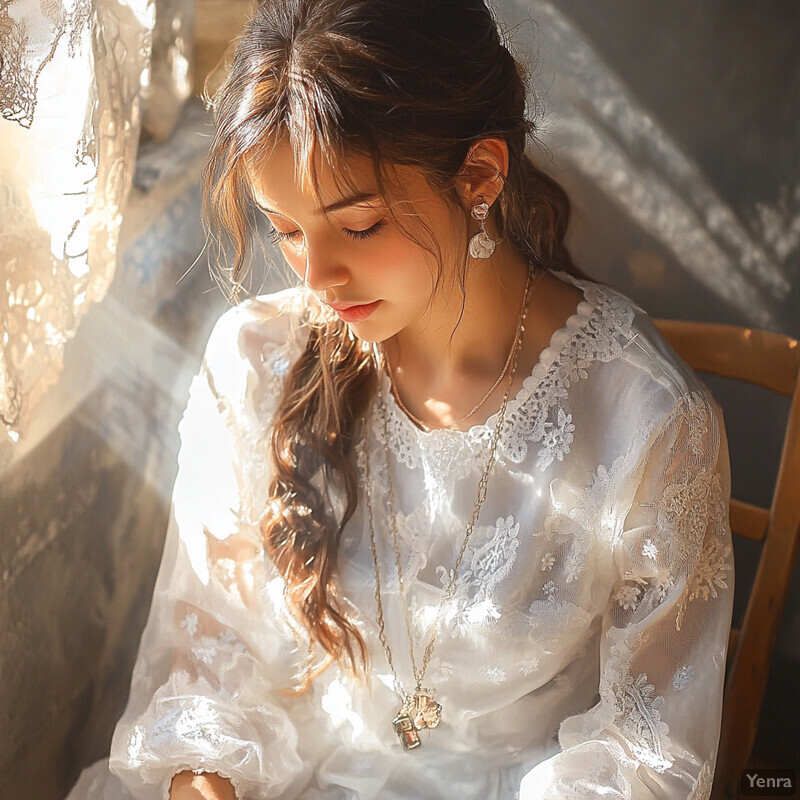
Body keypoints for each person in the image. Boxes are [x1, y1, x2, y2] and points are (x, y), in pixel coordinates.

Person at [65, 1, 736, 798]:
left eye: (360, 226)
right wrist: (206, 782)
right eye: (284, 230)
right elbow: (207, 662)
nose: (314, 279)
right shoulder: (256, 361)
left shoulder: (645, 422)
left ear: (480, 176)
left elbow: (643, 758)